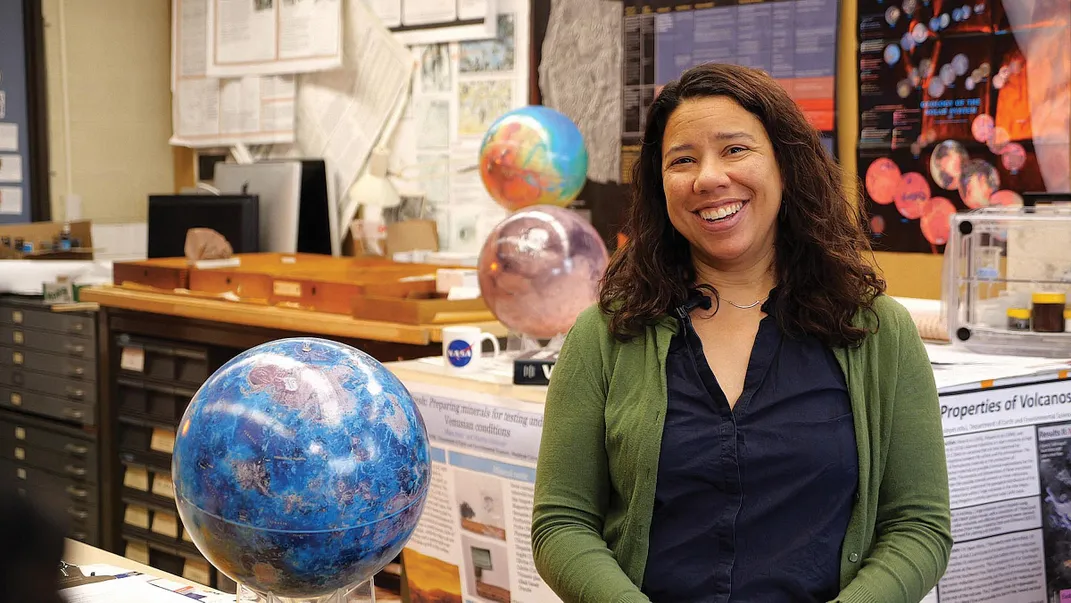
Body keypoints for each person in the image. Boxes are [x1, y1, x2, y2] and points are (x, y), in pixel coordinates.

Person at [531, 62, 951, 603]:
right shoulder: (607, 334)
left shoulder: (875, 330)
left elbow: (918, 526)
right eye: (683, 160)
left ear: (785, 163)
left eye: (735, 149)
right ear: (662, 187)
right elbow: (561, 524)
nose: (709, 178)